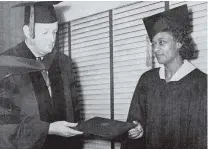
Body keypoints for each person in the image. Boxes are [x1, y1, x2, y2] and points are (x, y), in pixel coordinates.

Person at [120, 5, 207, 149]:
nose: (155, 49)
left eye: (161, 42)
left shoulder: (201, 83)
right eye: (153, 44)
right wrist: (136, 131)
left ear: (179, 42)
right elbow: (134, 122)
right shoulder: (147, 80)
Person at [0, 1, 83, 149]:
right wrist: (49, 129)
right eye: (45, 32)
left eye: (55, 32)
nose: (52, 39)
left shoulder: (64, 63)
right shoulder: (7, 64)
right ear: (27, 31)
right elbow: (5, 123)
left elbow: (75, 110)